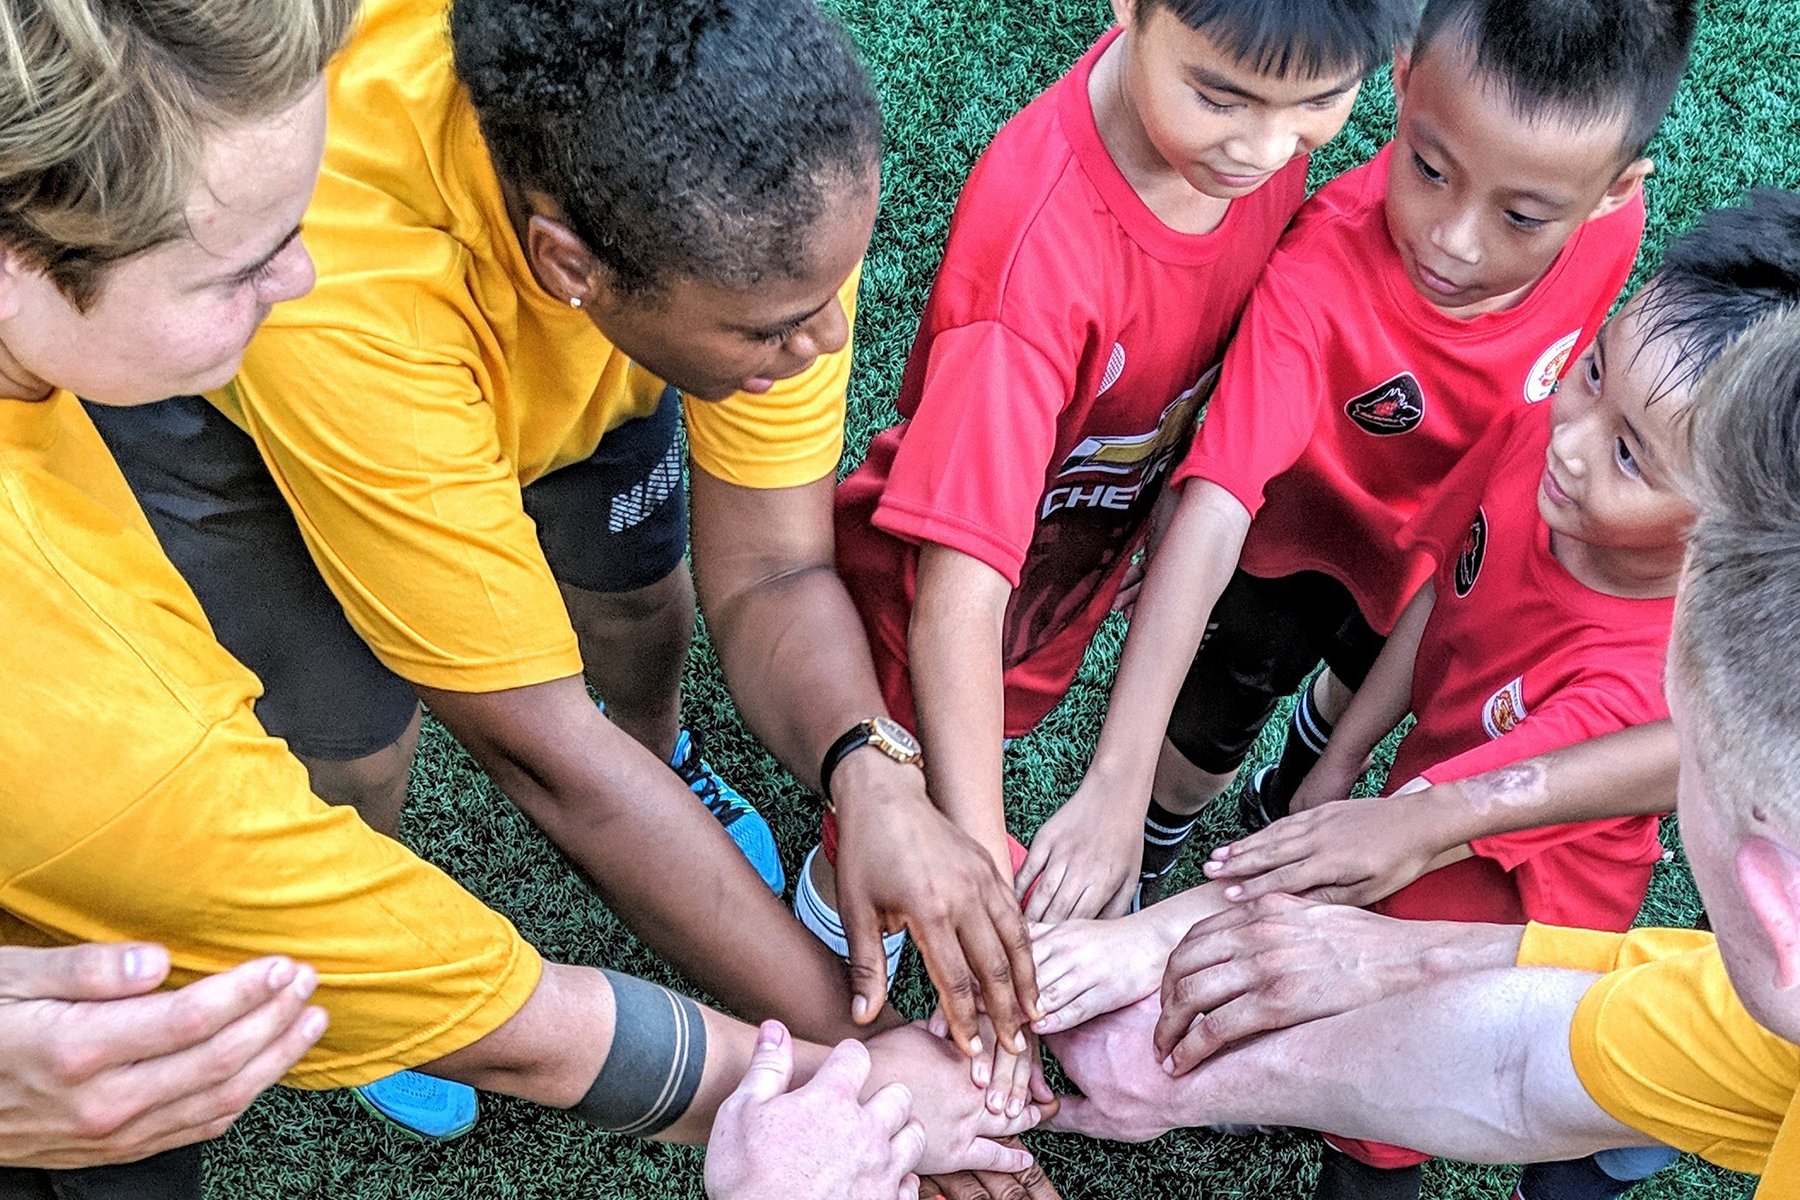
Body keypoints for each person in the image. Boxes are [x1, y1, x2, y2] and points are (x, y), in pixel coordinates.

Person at [0, 3, 1043, 1197]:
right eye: (241, 268)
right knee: (349, 730)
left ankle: (661, 770)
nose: (823, 339)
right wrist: (862, 1072)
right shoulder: (324, 295)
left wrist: (870, 761)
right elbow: (532, 908)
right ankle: (380, 890)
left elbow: (772, 567)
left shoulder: (744, 180)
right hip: (260, 398)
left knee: (639, 593)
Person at [1040, 301, 1800, 1200]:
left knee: (1397, 1088)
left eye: (1630, 455)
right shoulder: (1544, 450)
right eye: (1591, 370)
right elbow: (1448, 593)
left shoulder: (1639, 685)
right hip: (1428, 795)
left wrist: (1144, 939)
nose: (1572, 441)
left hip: (1517, 892)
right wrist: (1342, 760)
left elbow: (1437, 900)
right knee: (1329, 972)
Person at [809, 0, 1416, 1115]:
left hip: (1057, 591)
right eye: (1222, 98)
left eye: (1319, 106)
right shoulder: (1043, 260)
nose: (1264, 149)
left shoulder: (1245, 137)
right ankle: (831, 959)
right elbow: (955, 599)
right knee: (891, 821)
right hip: (929, 623)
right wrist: (981, 859)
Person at [1035, 0, 1697, 914]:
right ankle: (1155, 840)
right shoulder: (1320, 275)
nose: (1455, 239)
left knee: (1356, 700)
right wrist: (1117, 777)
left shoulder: (1609, 240)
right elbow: (1218, 499)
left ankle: (1297, 790)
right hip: (1285, 560)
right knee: (1205, 735)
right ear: (1399, 82)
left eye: (1523, 217)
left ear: (1614, 192)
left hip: (1442, 569)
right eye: (1429, 168)